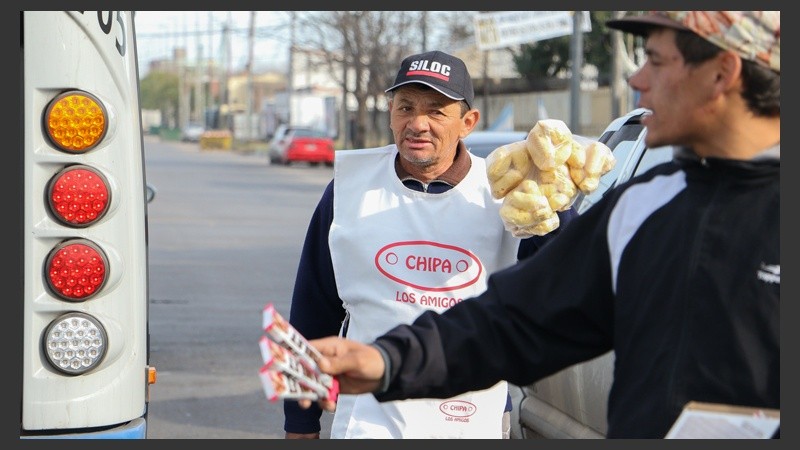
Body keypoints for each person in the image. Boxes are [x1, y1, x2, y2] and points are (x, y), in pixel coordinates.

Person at [300, 11, 780, 439]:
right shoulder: (642, 206)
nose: (637, 78)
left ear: (722, 73)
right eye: (405, 106)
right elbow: (518, 319)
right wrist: (388, 361)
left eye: (655, 60)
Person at [283, 50, 578, 439]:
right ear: (391, 114)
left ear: (468, 122)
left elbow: (566, 277)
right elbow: (311, 311)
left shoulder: (507, 195)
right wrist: (299, 421)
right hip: (369, 419)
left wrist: (555, 207)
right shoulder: (349, 191)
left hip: (473, 417)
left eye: (436, 111)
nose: (417, 124)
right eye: (405, 107)